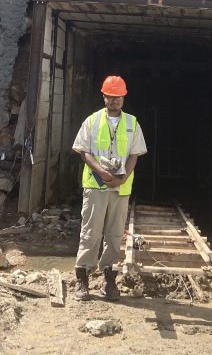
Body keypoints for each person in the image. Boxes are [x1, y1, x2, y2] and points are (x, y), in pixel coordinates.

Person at [71, 75, 147, 301]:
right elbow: (84, 151)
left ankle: (109, 280)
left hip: (120, 188)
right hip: (96, 185)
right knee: (90, 232)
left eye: (118, 97)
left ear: (124, 98)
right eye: (111, 97)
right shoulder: (92, 121)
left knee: (114, 234)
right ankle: (82, 279)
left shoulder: (132, 123)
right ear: (103, 97)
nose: (115, 101)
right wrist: (101, 172)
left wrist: (123, 179)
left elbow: (134, 154)